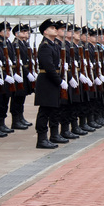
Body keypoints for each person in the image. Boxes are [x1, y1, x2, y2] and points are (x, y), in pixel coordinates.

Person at [34, 19, 67, 149]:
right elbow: (49, 67)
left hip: (52, 81)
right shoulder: (45, 46)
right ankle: (41, 139)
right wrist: (59, 81)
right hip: (47, 82)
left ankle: (53, 135)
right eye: (52, 28)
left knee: (54, 110)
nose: (55, 30)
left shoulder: (53, 45)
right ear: (45, 31)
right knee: (45, 111)